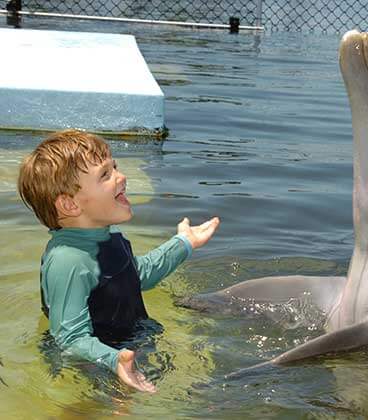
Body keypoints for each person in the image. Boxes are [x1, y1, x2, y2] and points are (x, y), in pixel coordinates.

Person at [17, 129, 219, 393]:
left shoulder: (108, 236)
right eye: (105, 174)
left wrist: (182, 244)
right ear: (70, 205)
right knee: (90, 411)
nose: (121, 177)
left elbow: (136, 275)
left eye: (115, 167)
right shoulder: (68, 260)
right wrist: (114, 360)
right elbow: (69, 336)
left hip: (128, 348)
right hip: (90, 365)